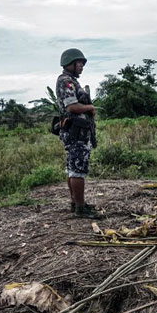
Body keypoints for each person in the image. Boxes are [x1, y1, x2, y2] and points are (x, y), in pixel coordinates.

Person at [56, 48, 100, 219]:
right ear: (70, 63)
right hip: (76, 131)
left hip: (76, 130)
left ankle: (76, 203)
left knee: (72, 168)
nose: (81, 66)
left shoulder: (71, 81)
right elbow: (72, 106)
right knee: (78, 169)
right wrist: (90, 107)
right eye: (79, 63)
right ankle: (80, 208)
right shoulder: (66, 81)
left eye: (82, 63)